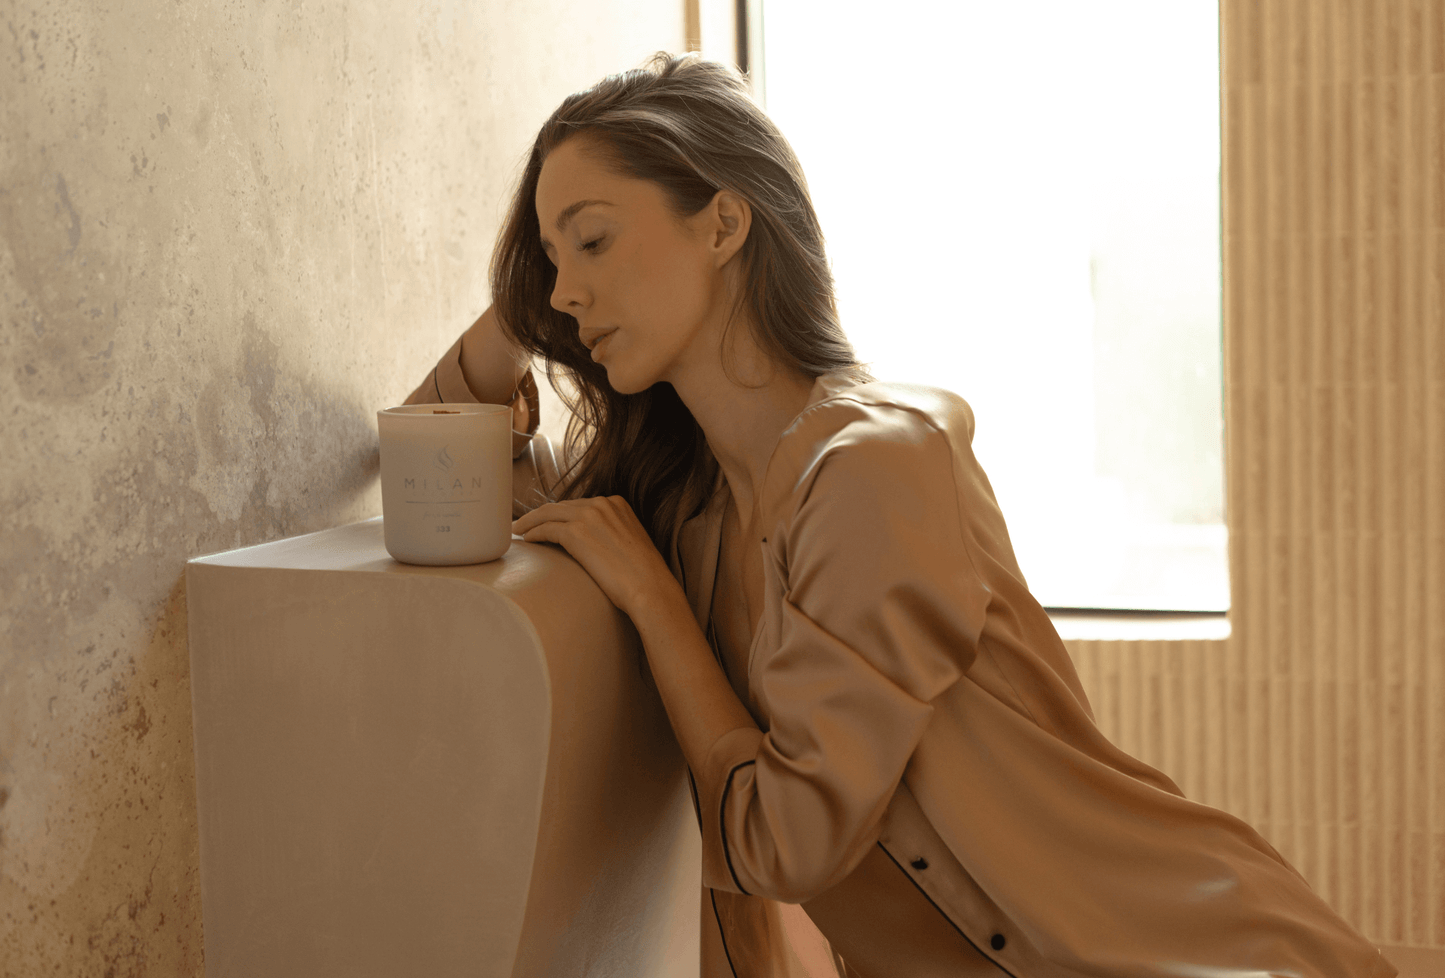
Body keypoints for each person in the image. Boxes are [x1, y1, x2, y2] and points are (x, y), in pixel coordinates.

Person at [404, 53, 1393, 978]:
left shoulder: (869, 472)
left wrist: (654, 606)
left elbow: (780, 841)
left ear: (721, 224)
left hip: (1181, 957)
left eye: (593, 239)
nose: (568, 291)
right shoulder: (687, 502)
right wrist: (523, 307)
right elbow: (434, 453)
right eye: (551, 259)